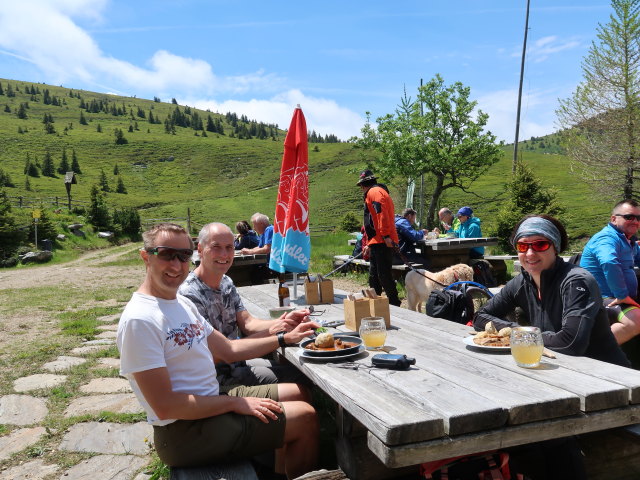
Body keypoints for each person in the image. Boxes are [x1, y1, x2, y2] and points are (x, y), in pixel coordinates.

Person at [117, 223, 318, 478]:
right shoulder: (140, 320)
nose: (177, 265)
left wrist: (283, 337)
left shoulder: (178, 302)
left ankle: (278, 471)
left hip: (211, 399)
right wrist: (235, 403)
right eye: (167, 254)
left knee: (299, 392)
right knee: (305, 418)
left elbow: (230, 349)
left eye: (184, 256)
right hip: (184, 432)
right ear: (146, 256)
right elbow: (165, 407)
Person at [473, 214, 629, 367]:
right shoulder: (522, 282)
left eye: (540, 245)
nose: (530, 253)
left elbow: (571, 343)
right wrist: (519, 331)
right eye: (522, 246)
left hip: (607, 376)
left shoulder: (576, 281)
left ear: (556, 247)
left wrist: (522, 335)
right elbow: (480, 317)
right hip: (558, 369)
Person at [179, 222, 308, 387]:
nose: (224, 254)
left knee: (296, 371)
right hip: (214, 378)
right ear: (200, 249)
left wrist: (282, 322)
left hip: (236, 363)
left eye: (229, 247)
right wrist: (280, 336)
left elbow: (247, 322)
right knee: (297, 380)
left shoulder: (226, 281)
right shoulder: (189, 294)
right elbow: (222, 353)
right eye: (216, 247)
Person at [580, 200, 640, 345]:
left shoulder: (627, 240)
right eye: (629, 217)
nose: (635, 221)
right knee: (636, 320)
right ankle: (596, 354)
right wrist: (622, 295)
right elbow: (609, 262)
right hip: (602, 297)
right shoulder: (606, 238)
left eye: (638, 218)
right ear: (614, 218)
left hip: (618, 295)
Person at [357, 169, 401, 306]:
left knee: (383, 275)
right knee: (374, 276)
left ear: (364, 185)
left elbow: (381, 215)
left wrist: (386, 235)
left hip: (382, 240)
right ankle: (375, 302)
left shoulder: (374, 193)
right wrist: (370, 243)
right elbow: (374, 220)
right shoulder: (377, 192)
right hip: (377, 240)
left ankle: (394, 303)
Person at [241, 213, 275, 282]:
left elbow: (267, 249)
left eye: (254, 225)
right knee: (252, 270)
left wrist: (249, 252)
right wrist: (248, 250)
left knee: (252, 272)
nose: (253, 228)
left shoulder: (269, 230)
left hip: (273, 267)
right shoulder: (264, 232)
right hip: (268, 265)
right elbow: (259, 247)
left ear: (261, 224)